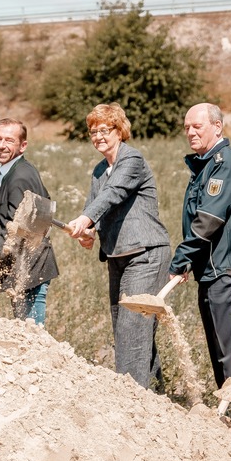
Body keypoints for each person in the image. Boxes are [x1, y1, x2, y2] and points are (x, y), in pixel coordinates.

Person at [65, 104, 171, 388]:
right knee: (126, 327)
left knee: (131, 327)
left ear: (119, 131)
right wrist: (89, 231)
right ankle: (154, 394)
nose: (98, 136)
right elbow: (95, 206)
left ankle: (132, 400)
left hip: (145, 253)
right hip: (117, 255)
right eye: (93, 131)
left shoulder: (132, 159)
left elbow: (115, 194)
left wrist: (86, 218)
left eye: (104, 130)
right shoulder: (101, 169)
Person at [168, 103, 231, 390]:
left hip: (225, 269)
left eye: (198, 126)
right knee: (217, 349)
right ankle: (226, 410)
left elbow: (208, 221)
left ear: (217, 127)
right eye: (187, 127)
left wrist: (181, 259)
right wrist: (191, 263)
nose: (191, 132)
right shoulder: (204, 164)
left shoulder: (225, 164)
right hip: (208, 269)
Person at [0, 119, 59, 325]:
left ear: (23, 146)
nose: (1, 145)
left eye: (9, 140)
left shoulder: (20, 176)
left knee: (32, 336)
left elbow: (13, 231)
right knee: (26, 333)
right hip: (23, 268)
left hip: (29, 269)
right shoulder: (12, 171)